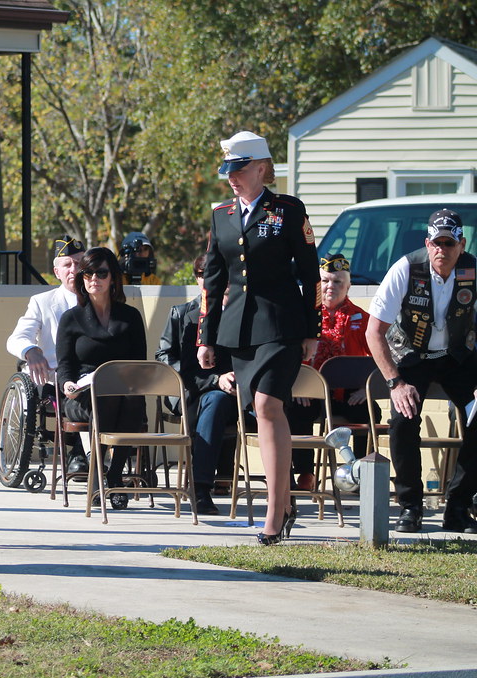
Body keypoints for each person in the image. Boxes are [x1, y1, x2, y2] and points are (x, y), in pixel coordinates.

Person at [197, 130, 321, 545]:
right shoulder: (221, 214)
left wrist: (313, 329)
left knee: (268, 405)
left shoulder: (288, 210)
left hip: (282, 324)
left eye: (239, 169)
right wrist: (206, 337)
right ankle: (284, 504)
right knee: (261, 410)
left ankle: (274, 510)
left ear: (262, 168)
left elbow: (310, 274)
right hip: (240, 328)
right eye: (228, 170)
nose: (231, 178)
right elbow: (213, 282)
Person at [365, 208, 477, 534]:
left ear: (462, 244)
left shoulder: (473, 271)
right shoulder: (406, 268)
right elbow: (374, 332)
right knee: (403, 420)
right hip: (412, 356)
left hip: (458, 356)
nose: (442, 250)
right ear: (427, 244)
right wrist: (395, 383)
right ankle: (410, 506)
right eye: (436, 243)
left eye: (449, 243)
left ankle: (458, 507)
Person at [56, 247, 148, 508]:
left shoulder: (130, 317)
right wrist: (67, 384)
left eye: (101, 273)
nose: (94, 278)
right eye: (87, 274)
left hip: (124, 390)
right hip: (82, 395)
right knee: (105, 398)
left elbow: (139, 364)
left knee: (130, 398)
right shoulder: (71, 318)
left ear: (113, 278)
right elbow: (65, 365)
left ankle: (115, 474)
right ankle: (98, 476)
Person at [286, 253, 376, 491]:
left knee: (370, 411)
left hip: (348, 393)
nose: (330, 286)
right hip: (310, 392)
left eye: (337, 282)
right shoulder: (303, 317)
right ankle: (305, 473)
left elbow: (379, 357)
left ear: (348, 286)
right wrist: (298, 384)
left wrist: (365, 389)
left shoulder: (362, 319)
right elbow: (288, 355)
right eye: (325, 281)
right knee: (294, 410)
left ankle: (360, 473)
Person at [157, 254, 237, 515]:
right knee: (215, 400)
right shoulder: (182, 314)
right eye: (203, 275)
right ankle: (201, 488)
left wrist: (236, 378)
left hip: (238, 391)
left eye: (218, 276)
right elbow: (165, 357)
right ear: (197, 278)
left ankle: (288, 489)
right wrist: (215, 380)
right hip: (192, 390)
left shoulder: (242, 313)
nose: (210, 281)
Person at [6, 236, 87, 472]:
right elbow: (16, 338)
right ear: (57, 272)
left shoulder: (99, 300)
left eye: (79, 263)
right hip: (52, 380)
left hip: (89, 379)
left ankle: (88, 455)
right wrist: (31, 351)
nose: (74, 269)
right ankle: (79, 454)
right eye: (68, 264)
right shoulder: (42, 302)